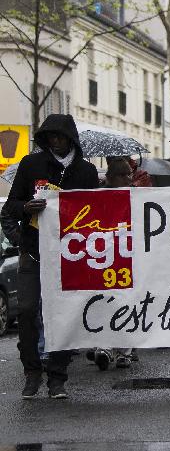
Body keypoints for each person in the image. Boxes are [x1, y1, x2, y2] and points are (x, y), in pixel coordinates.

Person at [2, 114, 99, 399]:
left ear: (70, 138)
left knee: (64, 315)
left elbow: (96, 212)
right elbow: (11, 207)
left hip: (70, 255)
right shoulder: (31, 165)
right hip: (33, 252)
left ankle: (58, 377)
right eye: (49, 137)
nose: (54, 141)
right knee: (28, 311)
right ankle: (32, 373)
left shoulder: (86, 171)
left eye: (59, 136)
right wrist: (26, 211)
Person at [91, 159, 136, 371]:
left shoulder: (138, 196)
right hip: (106, 256)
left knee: (127, 302)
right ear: (113, 178)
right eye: (125, 175)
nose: (130, 178)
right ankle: (106, 347)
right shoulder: (97, 197)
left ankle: (125, 351)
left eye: (130, 174)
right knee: (105, 301)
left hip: (128, 255)